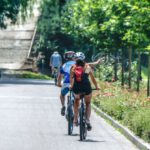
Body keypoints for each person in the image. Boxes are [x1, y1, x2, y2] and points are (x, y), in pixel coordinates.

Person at [70, 52, 100, 131]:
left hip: (77, 87)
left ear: (75, 59)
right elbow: (92, 78)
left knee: (76, 101)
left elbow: (72, 78)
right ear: (84, 59)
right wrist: (97, 86)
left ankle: (75, 119)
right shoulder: (87, 67)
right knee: (88, 103)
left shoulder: (73, 67)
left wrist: (71, 86)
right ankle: (87, 120)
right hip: (86, 87)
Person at [57, 51, 76, 116]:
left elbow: (60, 76)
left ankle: (63, 106)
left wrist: (59, 83)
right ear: (74, 57)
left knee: (62, 94)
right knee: (77, 96)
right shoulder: (77, 64)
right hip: (75, 83)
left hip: (66, 83)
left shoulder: (64, 65)